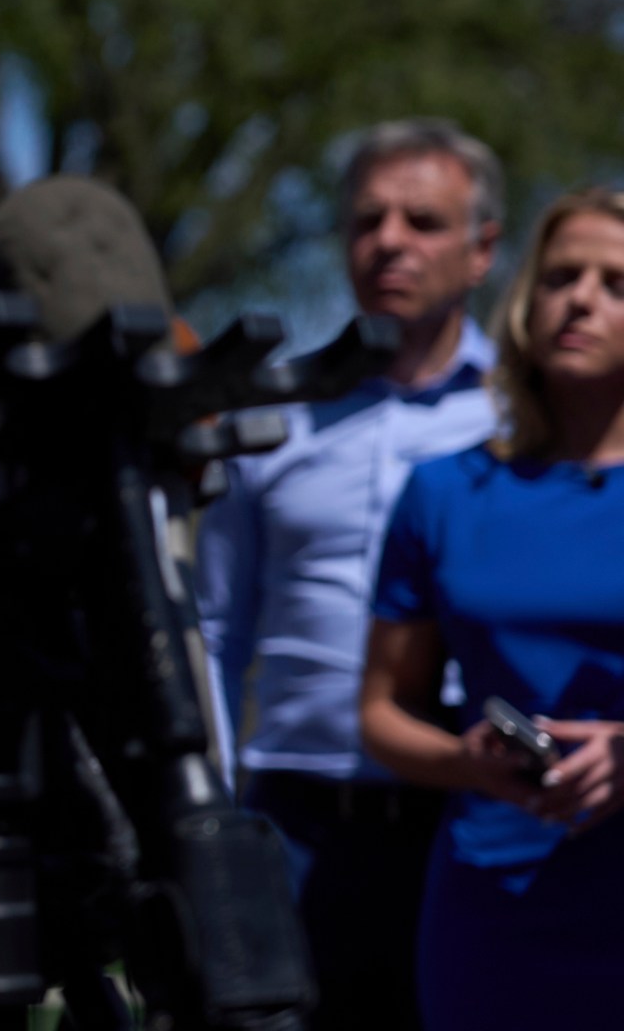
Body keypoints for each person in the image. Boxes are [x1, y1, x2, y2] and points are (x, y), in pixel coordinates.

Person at [194, 118, 503, 1030]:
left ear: (484, 249)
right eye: (368, 221)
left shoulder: (522, 421)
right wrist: (206, 807)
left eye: (423, 221)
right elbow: (215, 625)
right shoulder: (274, 415)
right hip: (289, 816)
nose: (390, 243)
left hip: (463, 812)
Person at [359, 186, 624, 1026]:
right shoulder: (445, 493)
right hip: (491, 902)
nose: (580, 299)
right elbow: (382, 709)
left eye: (616, 283)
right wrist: (467, 762)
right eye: (560, 277)